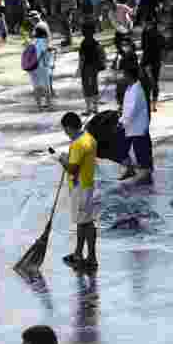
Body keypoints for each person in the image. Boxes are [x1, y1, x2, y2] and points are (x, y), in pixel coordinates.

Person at [57, 112, 98, 269]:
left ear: (68, 127)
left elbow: (72, 169)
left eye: (65, 130)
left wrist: (62, 160)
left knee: (84, 223)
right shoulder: (89, 138)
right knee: (85, 221)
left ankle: (89, 257)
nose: (65, 133)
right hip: (88, 184)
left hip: (80, 187)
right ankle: (79, 253)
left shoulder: (77, 144)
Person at [117, 64, 153, 184]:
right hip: (130, 125)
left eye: (124, 75)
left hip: (137, 125)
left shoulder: (137, 90)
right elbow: (127, 107)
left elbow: (132, 110)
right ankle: (129, 168)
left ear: (129, 76)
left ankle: (145, 173)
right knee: (121, 147)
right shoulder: (130, 88)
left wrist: (122, 121)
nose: (123, 77)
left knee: (140, 150)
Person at [77, 22, 105, 114]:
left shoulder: (83, 43)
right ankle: (96, 108)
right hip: (94, 67)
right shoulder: (95, 42)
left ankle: (88, 108)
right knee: (94, 86)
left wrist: (79, 69)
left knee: (86, 87)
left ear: (84, 32)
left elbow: (82, 58)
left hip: (86, 67)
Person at [140, 15, 163, 112]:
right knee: (154, 83)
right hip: (155, 61)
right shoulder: (158, 33)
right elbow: (163, 45)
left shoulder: (145, 33)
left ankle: (149, 104)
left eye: (145, 23)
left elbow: (143, 47)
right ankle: (153, 105)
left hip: (148, 61)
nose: (144, 24)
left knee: (146, 83)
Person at [29, 24, 54, 111]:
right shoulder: (44, 42)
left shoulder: (32, 41)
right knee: (46, 87)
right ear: (44, 33)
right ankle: (49, 106)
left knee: (36, 87)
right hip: (42, 67)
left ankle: (39, 107)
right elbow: (45, 55)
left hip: (32, 67)